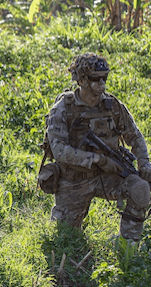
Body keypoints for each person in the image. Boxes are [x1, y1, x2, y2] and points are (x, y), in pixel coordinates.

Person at [39, 53, 151, 241]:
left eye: (104, 77)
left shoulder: (112, 106)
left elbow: (135, 137)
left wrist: (144, 163)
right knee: (66, 238)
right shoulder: (64, 107)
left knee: (140, 188)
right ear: (81, 80)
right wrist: (97, 159)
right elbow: (59, 151)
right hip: (74, 180)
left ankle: (128, 247)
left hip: (108, 177)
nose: (102, 83)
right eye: (95, 78)